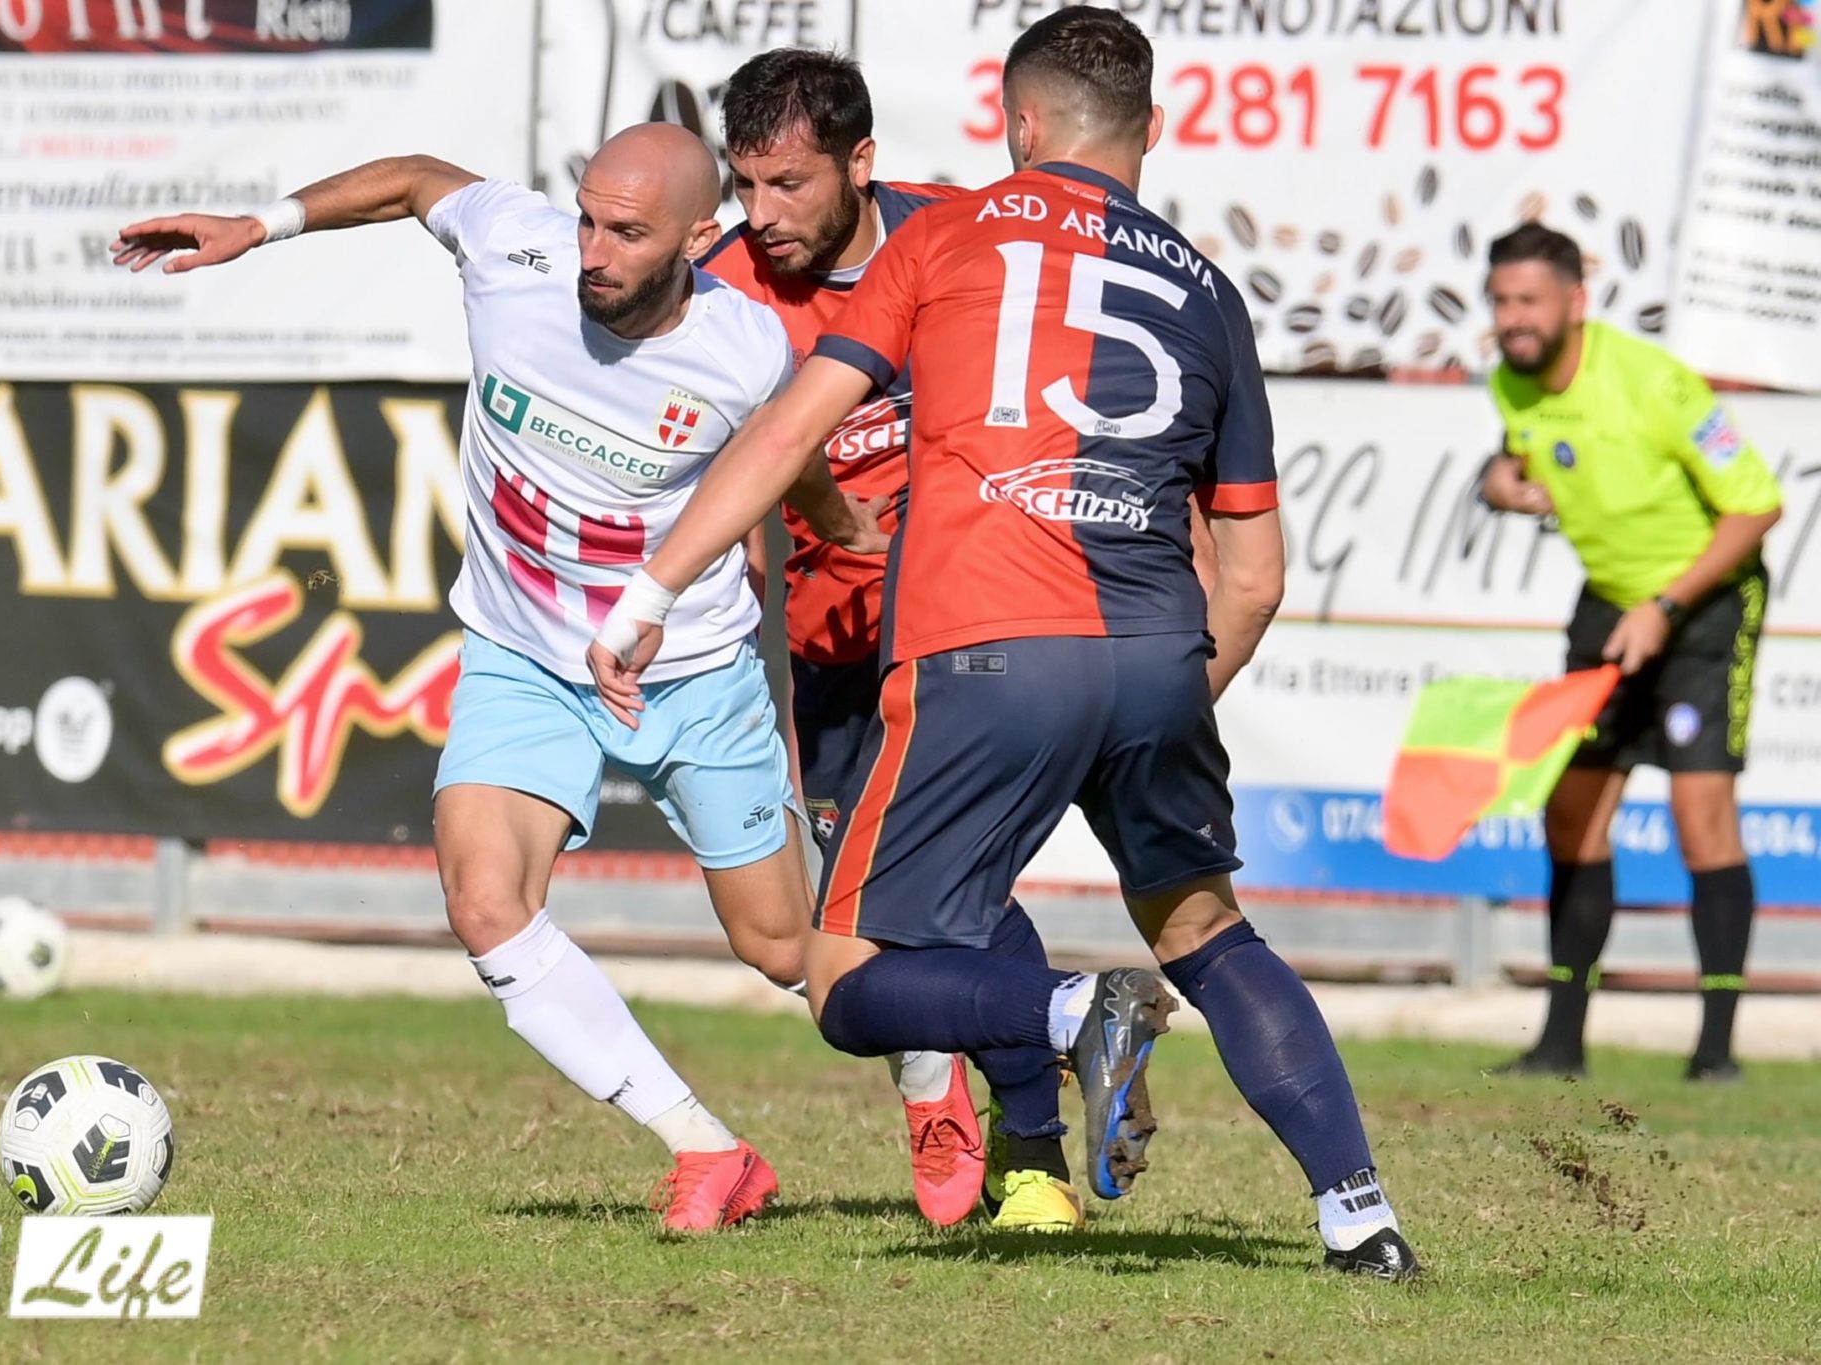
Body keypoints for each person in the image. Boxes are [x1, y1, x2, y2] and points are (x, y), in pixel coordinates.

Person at [589, 9, 1417, 1278]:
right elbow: (1252, 577)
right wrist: (1153, 699)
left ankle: (1073, 1012)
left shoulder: (945, 235)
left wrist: (650, 590)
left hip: (981, 651)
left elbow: (785, 435)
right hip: (1156, 652)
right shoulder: (1206, 289)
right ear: (1152, 129)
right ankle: (1359, 1217)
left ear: (1019, 125)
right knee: (1205, 929)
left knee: (841, 980)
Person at [110, 124, 885, 1231]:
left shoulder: (744, 346)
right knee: (485, 904)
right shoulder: (516, 251)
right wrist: (260, 225)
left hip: (692, 670)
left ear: (696, 240)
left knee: (783, 948)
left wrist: (841, 527)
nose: (592, 253)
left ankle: (962, 1072)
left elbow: (784, 456)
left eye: (627, 233)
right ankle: (707, 1151)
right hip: (523, 660)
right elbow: (413, 178)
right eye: (587, 219)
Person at [699, 46, 1075, 1233]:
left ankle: (1022, 1145)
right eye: (743, 185)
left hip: (972, 625)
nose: (761, 215)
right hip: (830, 651)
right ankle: (984, 1065)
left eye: (787, 185)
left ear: (860, 163)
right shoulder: (719, 289)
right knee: (870, 911)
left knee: (946, 887)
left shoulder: (966, 239)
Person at [1479, 223, 1783, 1081]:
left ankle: (1715, 1052)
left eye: (1530, 300)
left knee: (1700, 815)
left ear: (1576, 301)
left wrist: (1666, 605)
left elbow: (1757, 505)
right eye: (1500, 301)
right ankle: (1560, 1043)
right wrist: (1498, 481)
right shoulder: (1511, 381)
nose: (1513, 318)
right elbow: (1518, 458)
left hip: (1706, 604)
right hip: (1610, 604)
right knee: (1569, 811)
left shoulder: (1655, 383)